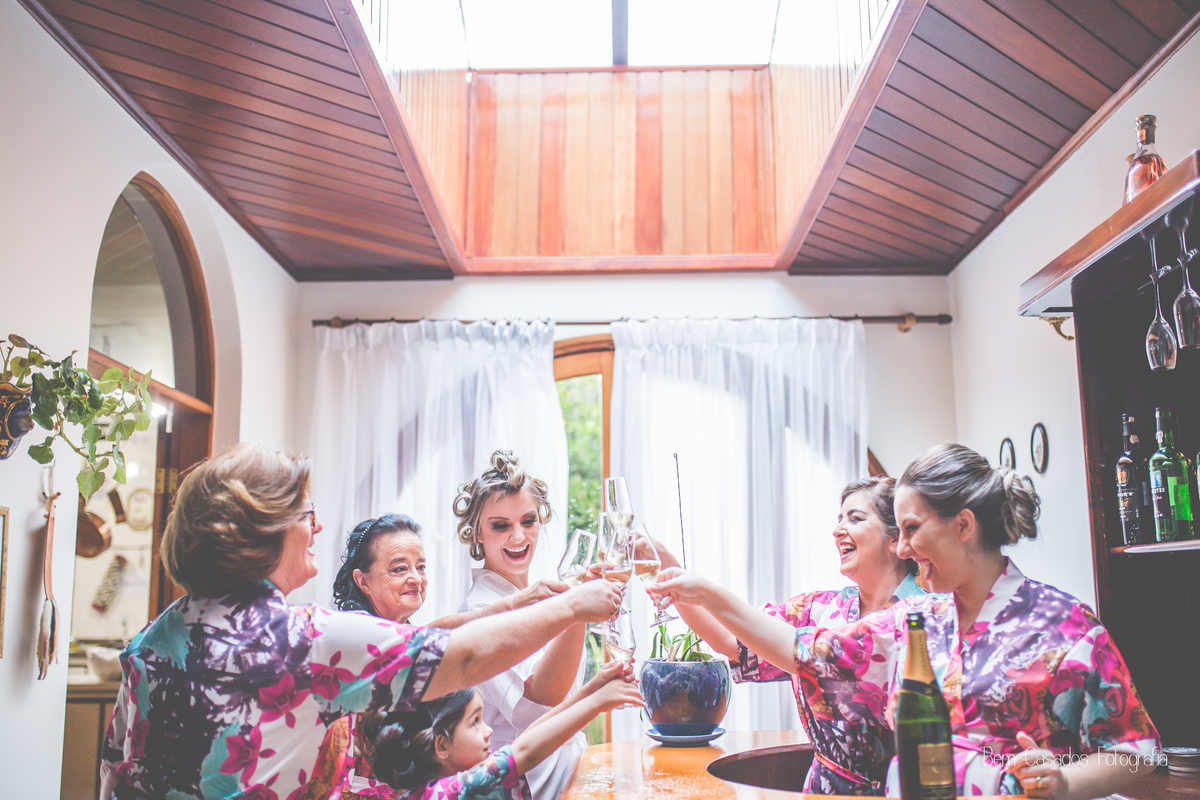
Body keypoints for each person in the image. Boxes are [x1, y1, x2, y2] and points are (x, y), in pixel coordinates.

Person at [99, 443, 622, 800]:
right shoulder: (301, 640)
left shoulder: (152, 638)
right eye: (305, 514)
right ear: (261, 535)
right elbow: (459, 657)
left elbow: (113, 767)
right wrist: (574, 605)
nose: (318, 526)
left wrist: (518, 603)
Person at [656, 444, 1161, 800]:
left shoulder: (1064, 624)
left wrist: (1067, 782)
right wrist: (705, 592)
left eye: (912, 529)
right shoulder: (914, 620)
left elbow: (1137, 750)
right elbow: (802, 650)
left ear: (963, 525)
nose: (901, 549)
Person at [642, 476, 924, 795]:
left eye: (855, 518)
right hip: (824, 789)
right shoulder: (818, 609)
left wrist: (705, 591)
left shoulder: (926, 618)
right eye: (839, 519)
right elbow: (732, 640)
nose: (837, 530)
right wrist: (665, 563)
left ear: (896, 539)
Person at [321, 515, 572, 800]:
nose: (416, 578)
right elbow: (421, 641)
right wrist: (513, 605)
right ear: (363, 581)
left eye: (421, 567)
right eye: (400, 568)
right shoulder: (352, 632)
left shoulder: (407, 634)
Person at [454, 450, 588, 800]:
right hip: (522, 784)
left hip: (564, 771)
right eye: (501, 526)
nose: (519, 536)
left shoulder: (540, 596)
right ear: (477, 533)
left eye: (528, 521)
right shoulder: (482, 608)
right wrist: (578, 610)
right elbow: (542, 699)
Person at [361, 662, 643, 800]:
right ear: (442, 745)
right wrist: (596, 703)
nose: (487, 731)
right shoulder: (447, 793)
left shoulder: (443, 783)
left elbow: (529, 735)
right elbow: (525, 751)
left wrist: (590, 690)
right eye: (475, 721)